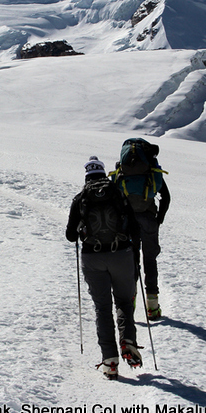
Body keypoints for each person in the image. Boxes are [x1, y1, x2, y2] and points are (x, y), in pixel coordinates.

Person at [66, 156, 142, 380]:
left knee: (102, 307)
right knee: (124, 302)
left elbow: (71, 236)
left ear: (87, 175)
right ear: (103, 173)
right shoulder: (118, 194)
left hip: (93, 257)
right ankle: (128, 339)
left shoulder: (80, 199)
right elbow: (135, 229)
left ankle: (110, 361)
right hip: (121, 255)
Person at [110, 139, 171, 321]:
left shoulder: (122, 172)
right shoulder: (151, 171)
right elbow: (165, 197)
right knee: (150, 259)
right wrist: (159, 218)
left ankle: (130, 301)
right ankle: (152, 306)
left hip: (128, 221)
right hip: (149, 218)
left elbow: (114, 196)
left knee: (131, 260)